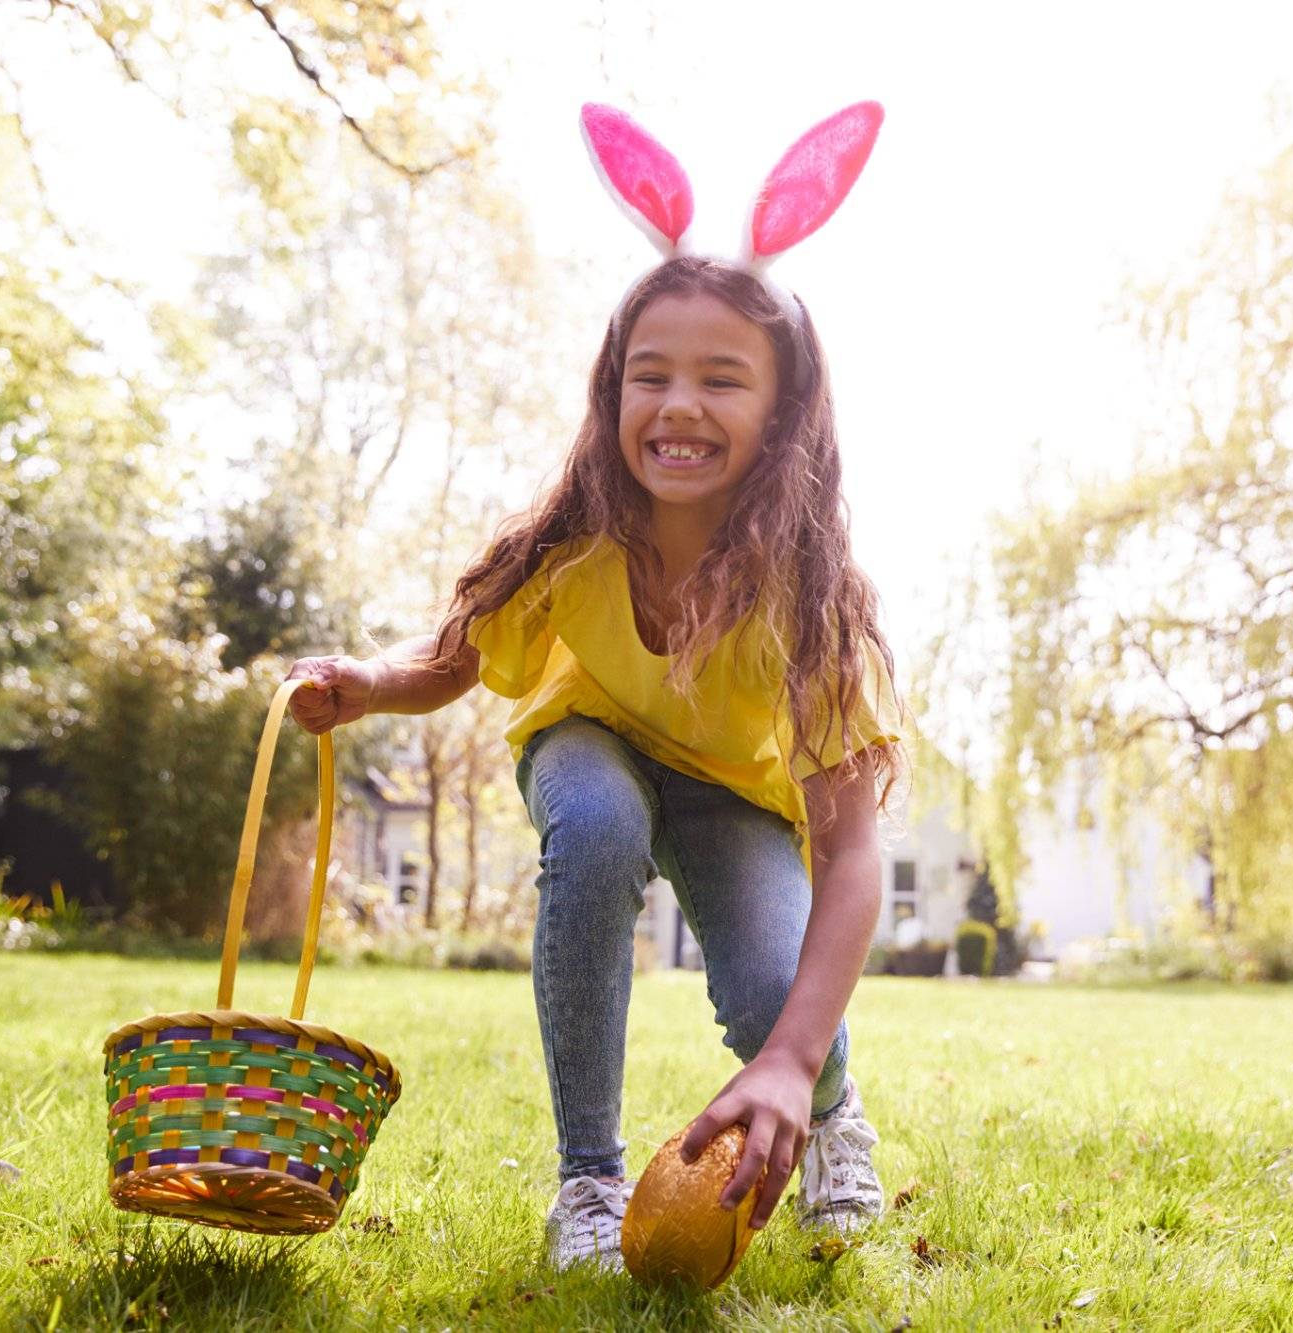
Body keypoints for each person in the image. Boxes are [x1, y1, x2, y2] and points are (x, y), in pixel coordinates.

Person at [285, 101, 905, 1274]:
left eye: (722, 379)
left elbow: (852, 851)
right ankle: (586, 1179)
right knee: (598, 819)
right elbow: (452, 660)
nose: (677, 406)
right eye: (649, 375)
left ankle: (828, 1113)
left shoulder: (813, 598)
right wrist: (365, 683)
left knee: (775, 992)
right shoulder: (574, 540)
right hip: (593, 741)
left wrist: (784, 1053)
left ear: (781, 408)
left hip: (734, 794)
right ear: (611, 391)